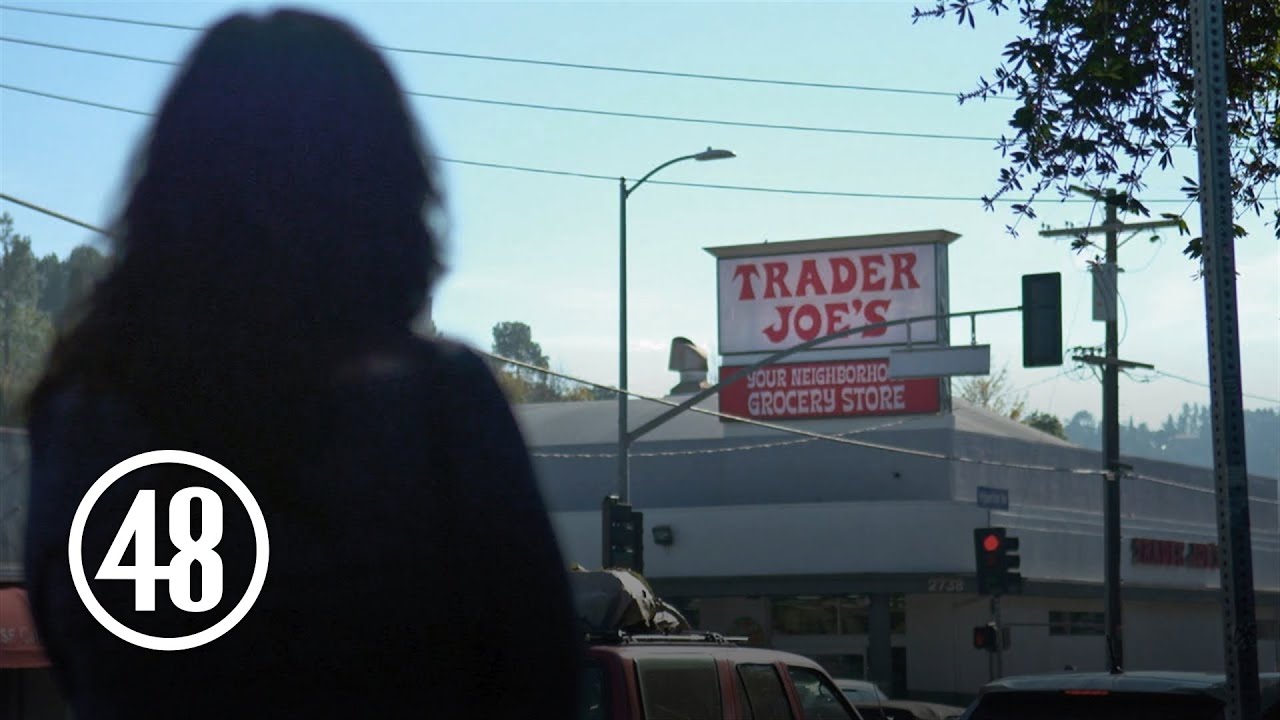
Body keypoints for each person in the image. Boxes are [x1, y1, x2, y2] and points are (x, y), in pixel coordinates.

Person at [22, 9, 579, 718]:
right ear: (390, 194)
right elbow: (541, 673)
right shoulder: (442, 410)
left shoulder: (83, 420)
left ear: (167, 193)